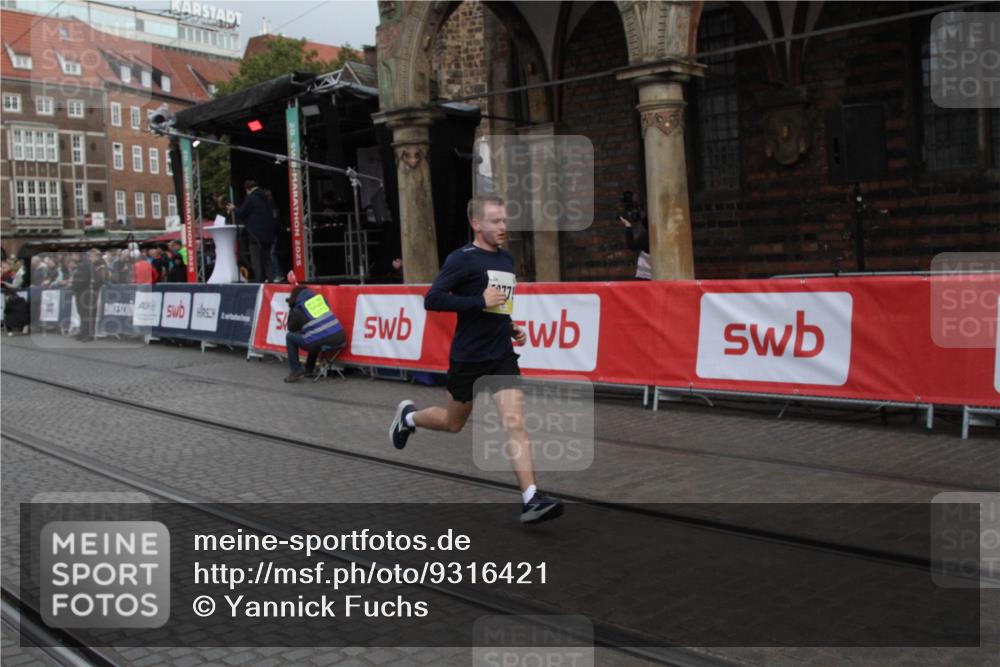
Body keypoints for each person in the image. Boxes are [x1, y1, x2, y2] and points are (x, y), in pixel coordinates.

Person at [389, 194, 563, 525]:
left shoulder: (507, 260)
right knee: (453, 423)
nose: (503, 227)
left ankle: (531, 499)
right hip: (468, 357)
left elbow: (498, 306)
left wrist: (511, 327)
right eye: (496, 221)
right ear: (476, 224)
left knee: (515, 421)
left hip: (500, 355)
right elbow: (433, 300)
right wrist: (477, 300)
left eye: (505, 220)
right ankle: (408, 418)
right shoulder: (461, 259)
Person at [283, 285, 346, 383]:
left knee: (290, 337)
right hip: (340, 337)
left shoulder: (299, 309)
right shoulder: (320, 300)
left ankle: (296, 370)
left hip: (321, 339)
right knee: (313, 335)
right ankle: (309, 369)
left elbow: (291, 328)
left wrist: (291, 308)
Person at [227, 180, 277, 283]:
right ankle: (271, 281)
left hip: (255, 235)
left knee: (256, 260)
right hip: (268, 234)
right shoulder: (266, 197)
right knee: (267, 259)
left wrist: (234, 208)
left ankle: (259, 282)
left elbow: (242, 212)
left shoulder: (251, 198)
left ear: (247, 189)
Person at [71, 248, 107, 341]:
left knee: (87, 314)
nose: (72, 256)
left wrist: (74, 287)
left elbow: (83, 279)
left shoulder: (84, 264)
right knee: (83, 313)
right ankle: (84, 332)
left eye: (73, 254)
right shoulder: (84, 263)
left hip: (85, 292)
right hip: (84, 291)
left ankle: (88, 334)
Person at [617, 191, 651, 280]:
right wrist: (642, 217)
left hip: (646, 277)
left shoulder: (649, 237)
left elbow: (632, 245)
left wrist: (628, 225)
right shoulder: (663, 234)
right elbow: (651, 228)